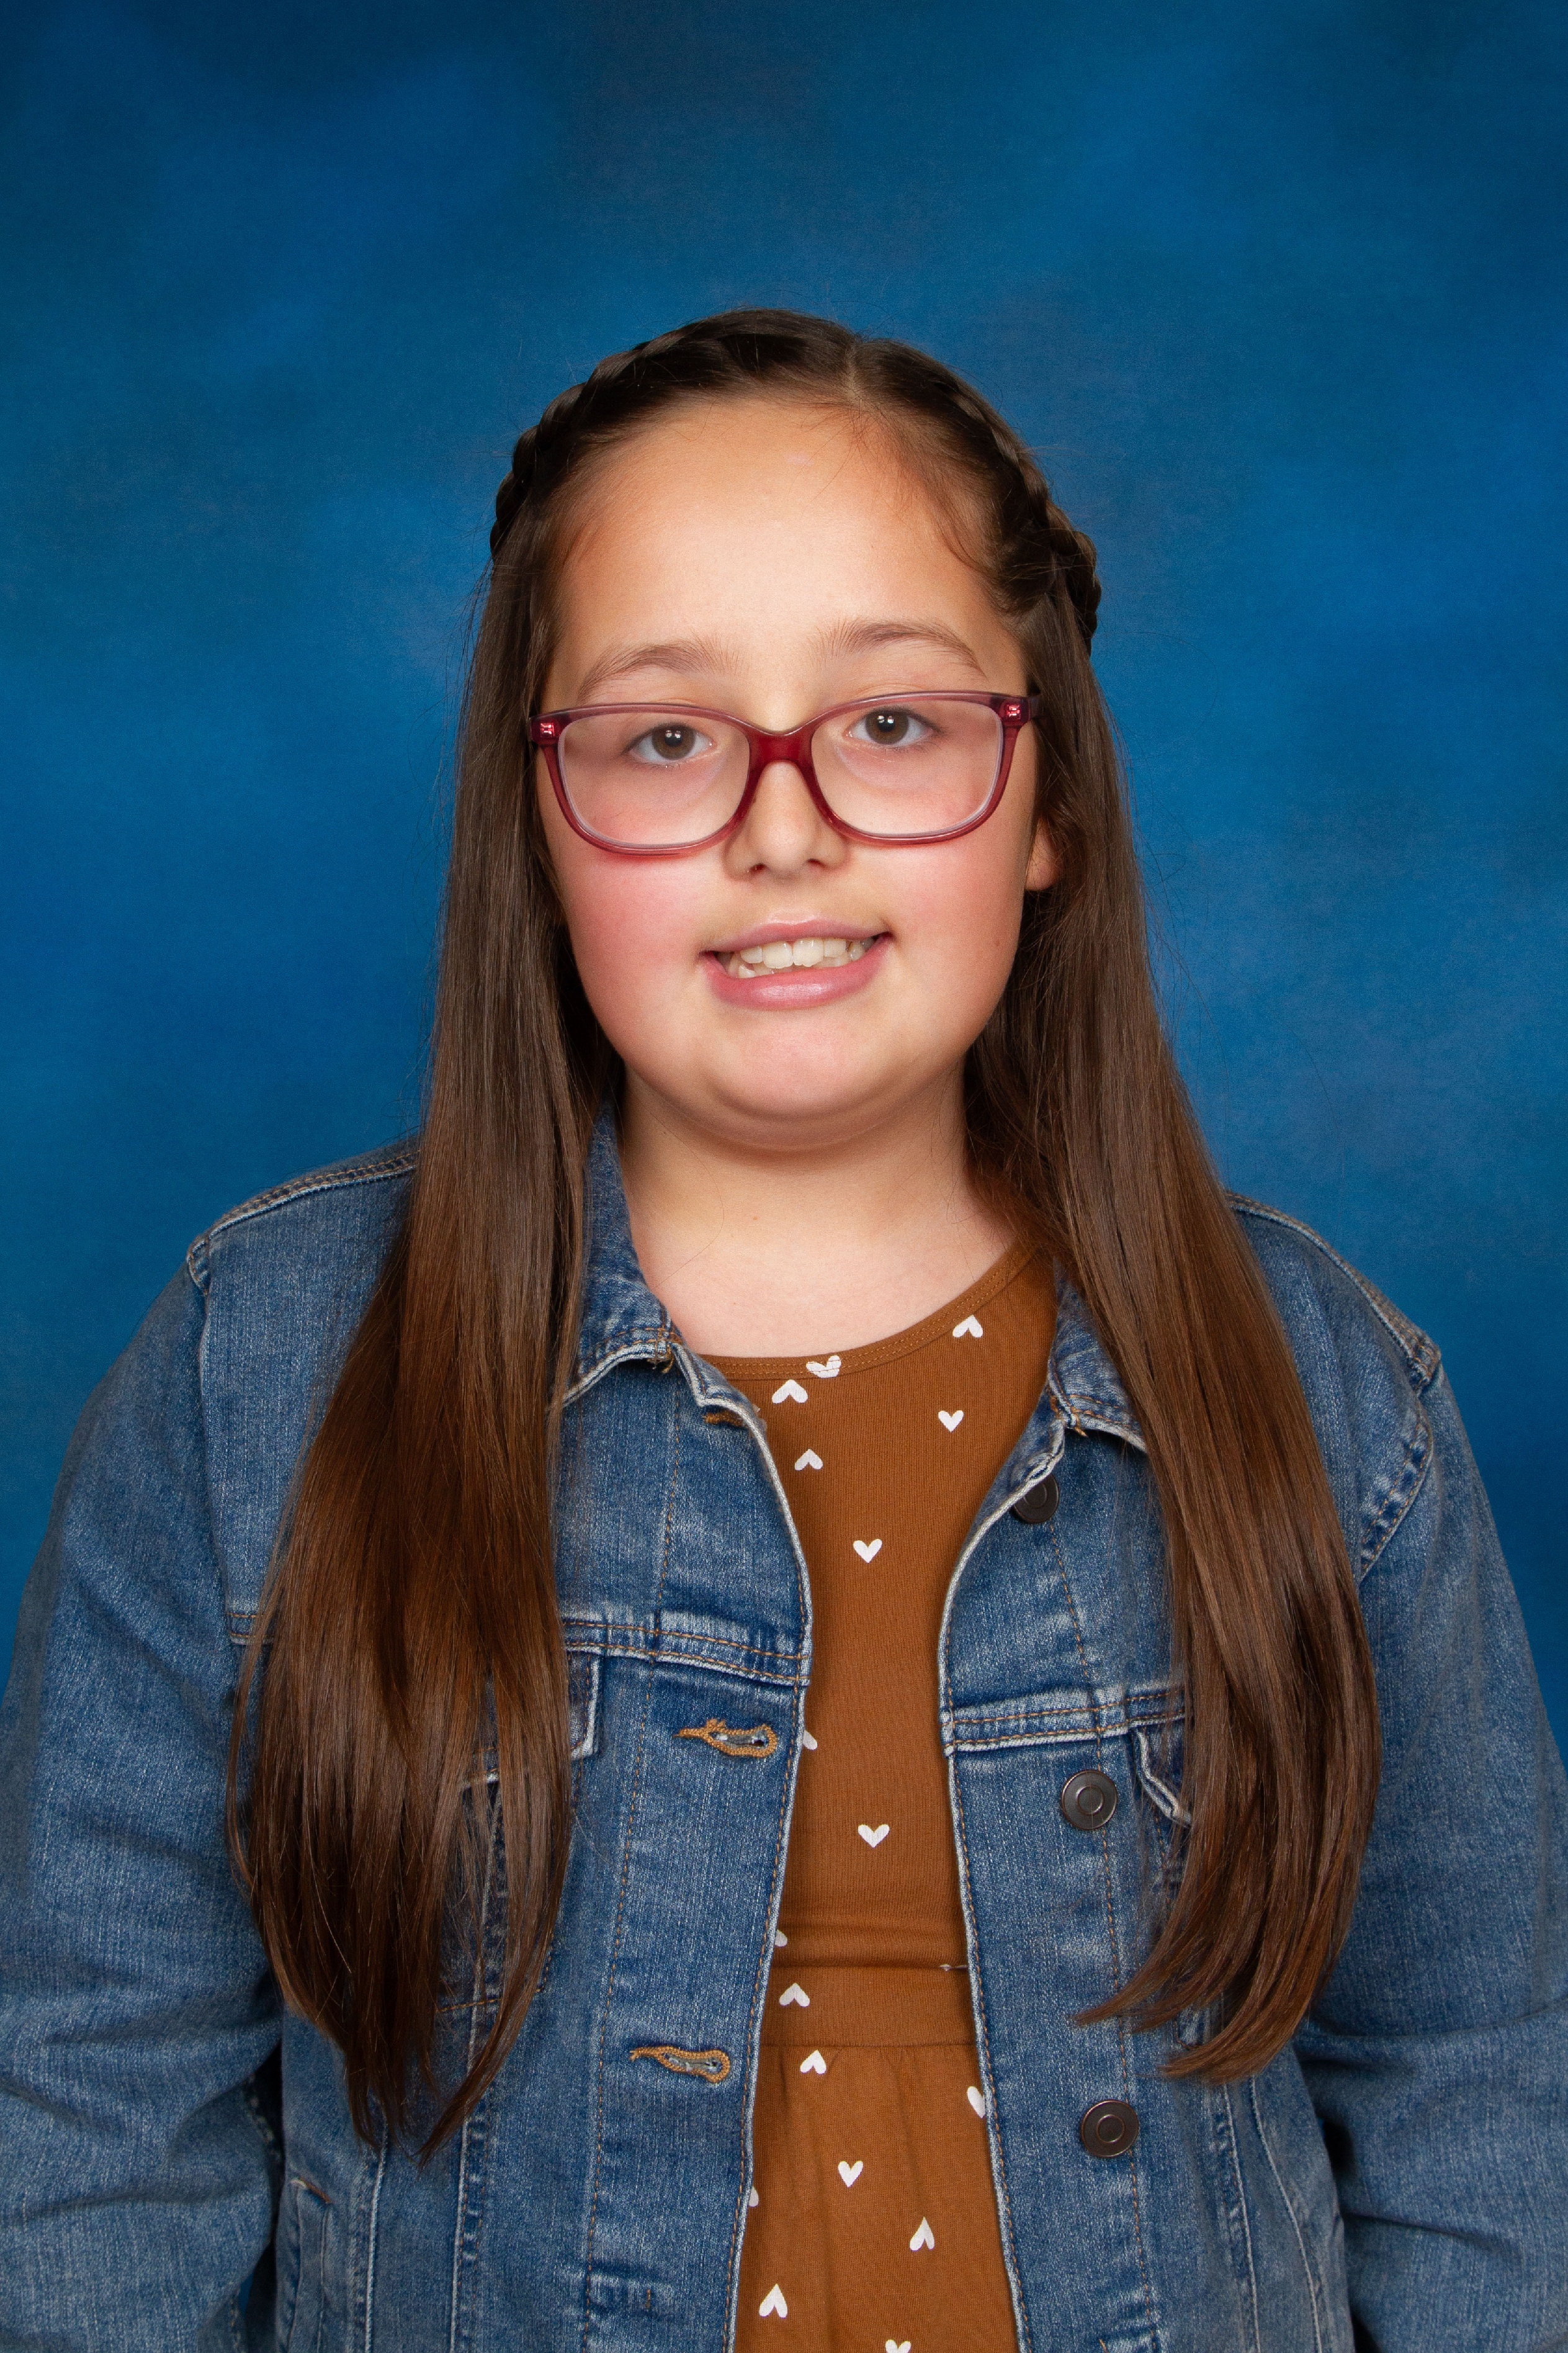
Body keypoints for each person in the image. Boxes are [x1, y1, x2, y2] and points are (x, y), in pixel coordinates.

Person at [1, 309, 1562, 2353]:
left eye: (892, 721)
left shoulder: (1324, 1390)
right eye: (666, 738)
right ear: (537, 820)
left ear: (1050, 803)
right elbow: (93, 2107)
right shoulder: (260, 1374)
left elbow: (1479, 2086)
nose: (784, 823)